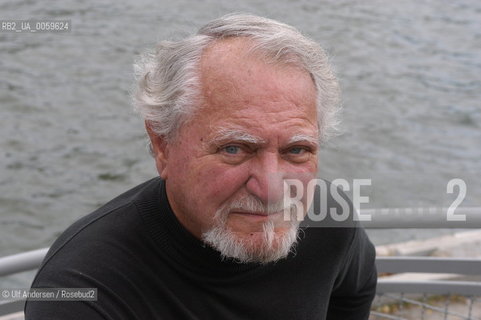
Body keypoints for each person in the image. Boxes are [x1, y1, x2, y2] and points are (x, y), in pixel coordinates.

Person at [25, 14, 377, 319]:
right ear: (163, 144)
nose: (272, 190)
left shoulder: (330, 220)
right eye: (235, 148)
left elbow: (355, 291)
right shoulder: (84, 287)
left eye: (296, 150)